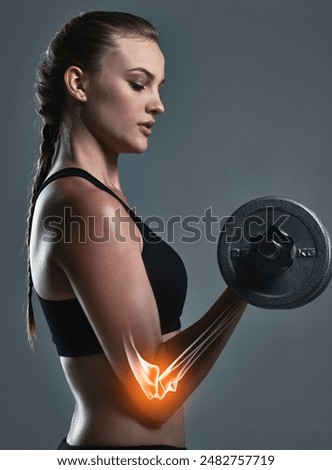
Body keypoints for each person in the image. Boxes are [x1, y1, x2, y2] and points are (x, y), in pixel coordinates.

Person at [26, 11, 247, 450]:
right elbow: (152, 394)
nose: (158, 104)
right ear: (79, 84)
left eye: (159, 88)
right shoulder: (84, 205)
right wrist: (242, 288)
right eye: (138, 83)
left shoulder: (96, 199)